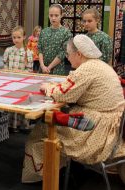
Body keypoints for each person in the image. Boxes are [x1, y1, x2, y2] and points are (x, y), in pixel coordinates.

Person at [22, 34, 125, 183]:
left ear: (79, 54)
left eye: (69, 54)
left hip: (97, 130)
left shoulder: (86, 69)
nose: (68, 58)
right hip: (113, 124)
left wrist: (47, 88)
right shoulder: (101, 65)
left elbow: (63, 94)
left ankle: (44, 176)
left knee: (42, 129)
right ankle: (62, 169)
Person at [38, 4, 72, 75]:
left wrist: (49, 67)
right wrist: (42, 65)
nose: (53, 18)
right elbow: (40, 49)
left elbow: (62, 53)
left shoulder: (66, 33)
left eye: (56, 15)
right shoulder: (44, 31)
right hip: (42, 68)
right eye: (51, 15)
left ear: (61, 15)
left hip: (57, 70)